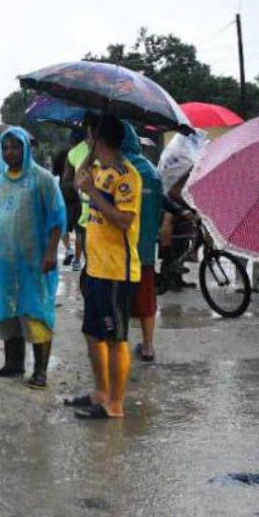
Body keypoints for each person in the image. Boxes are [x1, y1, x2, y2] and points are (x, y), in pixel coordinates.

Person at [0, 127, 66, 387]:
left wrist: (52, 251)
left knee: (36, 311)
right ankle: (13, 364)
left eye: (15, 146)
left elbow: (57, 217)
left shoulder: (41, 179)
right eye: (6, 147)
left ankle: (41, 371)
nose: (10, 152)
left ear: (26, 148)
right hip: (3, 261)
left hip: (35, 261)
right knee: (7, 312)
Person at [67, 114, 141, 420]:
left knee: (114, 339)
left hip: (116, 272)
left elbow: (124, 220)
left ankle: (115, 403)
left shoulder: (126, 175)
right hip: (95, 267)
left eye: (89, 136)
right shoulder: (98, 169)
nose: (85, 141)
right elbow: (77, 181)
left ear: (99, 139)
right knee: (92, 334)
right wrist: (86, 172)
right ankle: (100, 391)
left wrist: (94, 194)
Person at [121, 121, 163, 363]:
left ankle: (118, 346)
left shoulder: (116, 168)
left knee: (118, 300)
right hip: (146, 248)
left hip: (119, 249)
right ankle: (148, 346)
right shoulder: (151, 171)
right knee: (147, 301)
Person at [64, 114, 100, 272]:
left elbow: (67, 180)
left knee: (82, 236)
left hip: (89, 206)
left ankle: (81, 263)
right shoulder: (76, 153)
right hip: (86, 206)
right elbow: (70, 180)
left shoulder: (74, 152)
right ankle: (84, 264)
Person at [52, 141, 80, 266]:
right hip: (78, 191)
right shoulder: (80, 155)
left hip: (63, 191)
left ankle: (69, 249)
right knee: (79, 228)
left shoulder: (61, 155)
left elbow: (54, 173)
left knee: (62, 223)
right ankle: (78, 260)